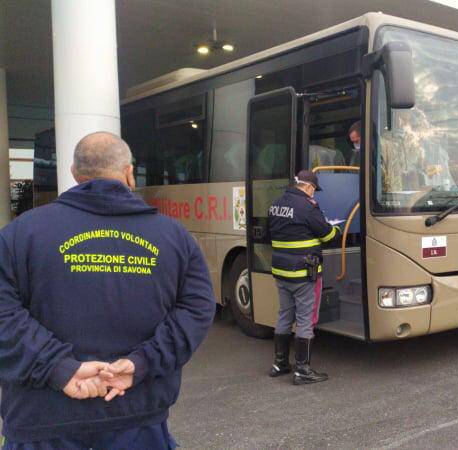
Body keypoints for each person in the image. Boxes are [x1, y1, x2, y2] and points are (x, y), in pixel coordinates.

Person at [0, 132, 216, 449]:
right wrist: (141, 363)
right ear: (128, 172)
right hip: (138, 416)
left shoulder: (19, 234)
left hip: (40, 420)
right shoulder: (175, 237)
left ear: (75, 174)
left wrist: (60, 368)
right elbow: (197, 310)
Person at [267, 170, 340, 385]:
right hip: (303, 274)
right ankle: (302, 370)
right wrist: (335, 229)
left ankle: (279, 363)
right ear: (308, 187)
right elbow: (326, 234)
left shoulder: (275, 205)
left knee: (284, 316)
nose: (314, 195)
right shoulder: (308, 207)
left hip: (281, 272)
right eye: (314, 191)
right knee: (305, 320)